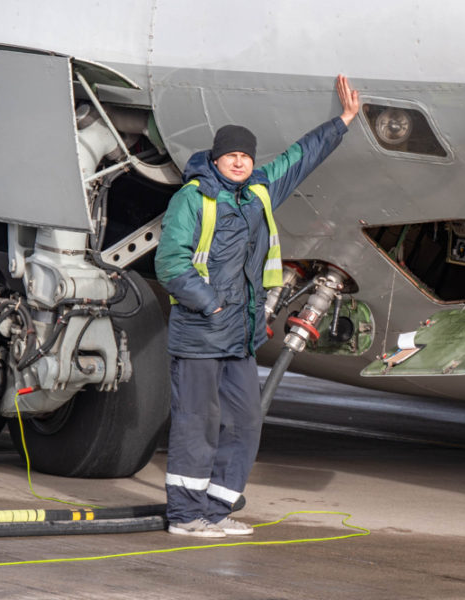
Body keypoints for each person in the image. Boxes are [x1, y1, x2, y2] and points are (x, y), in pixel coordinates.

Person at [154, 75, 360, 537]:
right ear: (216, 158)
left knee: (246, 420)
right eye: (233, 155)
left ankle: (216, 507)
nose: (241, 162)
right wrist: (211, 306)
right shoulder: (195, 197)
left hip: (240, 336)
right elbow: (170, 263)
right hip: (203, 331)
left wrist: (342, 122)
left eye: (246, 156)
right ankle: (186, 517)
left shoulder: (260, 193)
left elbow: (298, 158)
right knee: (196, 423)